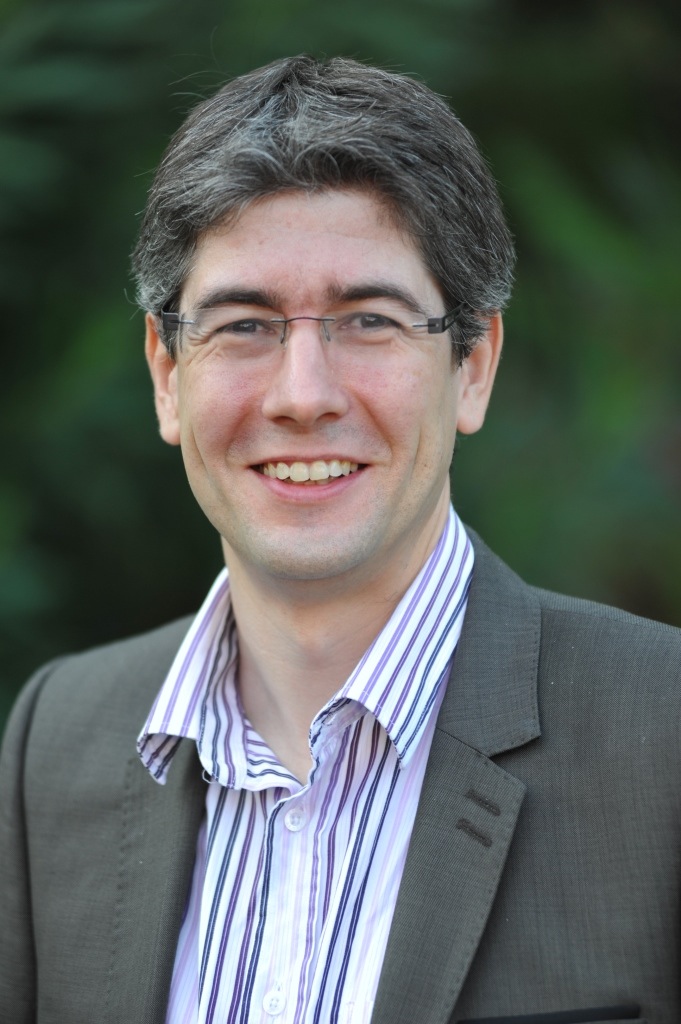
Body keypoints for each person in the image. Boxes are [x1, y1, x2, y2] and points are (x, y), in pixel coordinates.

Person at [0, 54, 679, 1024]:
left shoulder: (662, 741)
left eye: (368, 319)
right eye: (244, 324)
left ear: (473, 365)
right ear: (167, 374)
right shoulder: (56, 744)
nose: (303, 395)